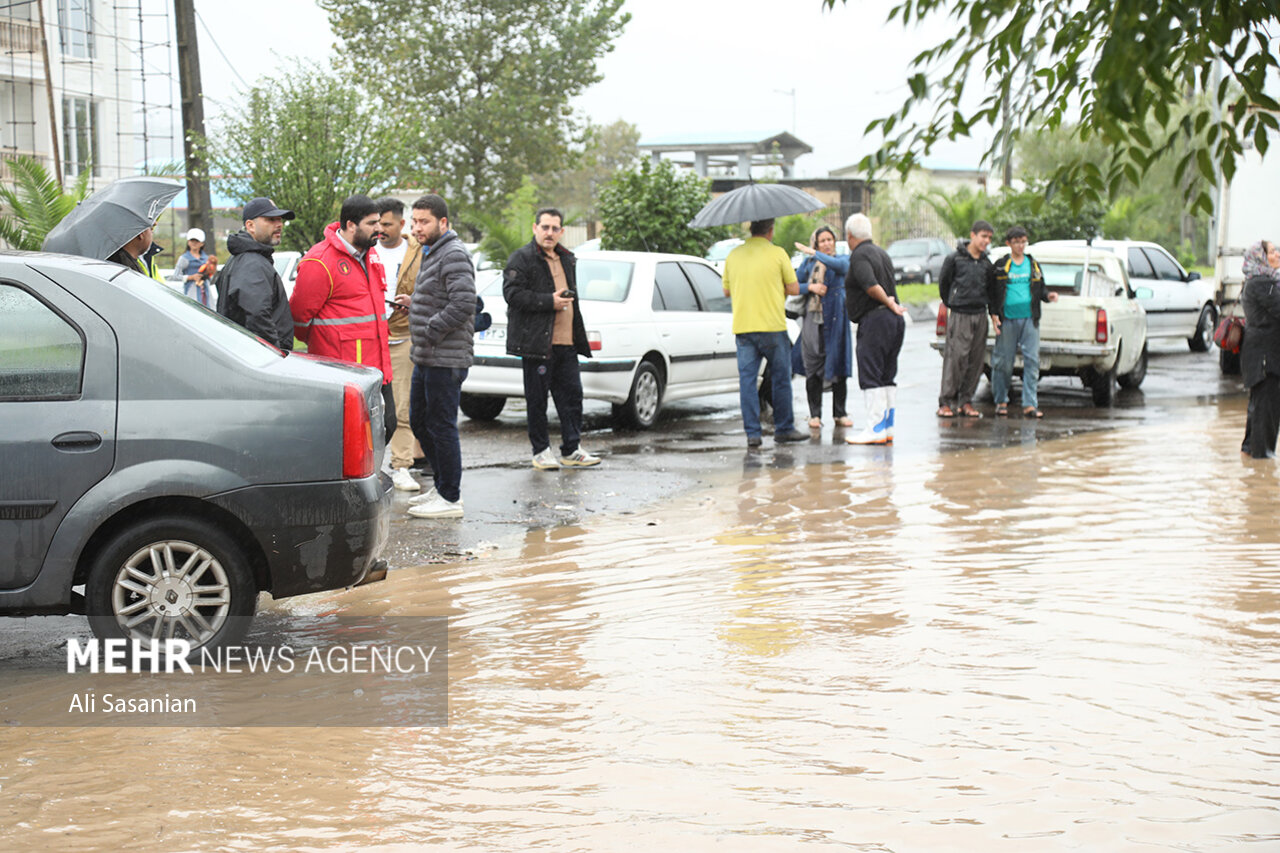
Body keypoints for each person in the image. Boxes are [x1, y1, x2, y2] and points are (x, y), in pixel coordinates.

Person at [395, 194, 474, 519]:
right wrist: (415, 303)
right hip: (427, 355)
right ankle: (441, 488)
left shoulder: (453, 253)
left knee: (440, 426)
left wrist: (429, 327)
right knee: (420, 422)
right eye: (414, 222)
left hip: (446, 357)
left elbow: (463, 303)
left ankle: (450, 497)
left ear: (443, 222)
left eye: (424, 221)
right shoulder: (432, 251)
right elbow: (443, 296)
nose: (417, 228)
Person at [291, 194, 394, 442]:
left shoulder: (369, 255)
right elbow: (298, 319)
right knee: (351, 441)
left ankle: (368, 479)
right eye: (372, 223)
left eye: (379, 222)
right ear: (350, 225)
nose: (379, 229)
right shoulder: (320, 261)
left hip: (378, 368)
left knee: (386, 428)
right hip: (344, 374)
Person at [503, 207, 601, 470]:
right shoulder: (521, 258)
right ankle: (541, 451)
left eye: (554, 228)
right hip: (537, 344)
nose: (549, 233)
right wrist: (550, 301)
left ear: (562, 232)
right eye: (544, 227)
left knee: (572, 397)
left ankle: (572, 449)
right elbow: (512, 295)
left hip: (567, 343)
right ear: (535, 228)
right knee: (537, 400)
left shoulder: (567, 258)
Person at [722, 218, 810, 448]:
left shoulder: (733, 256)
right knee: (781, 380)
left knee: (748, 382)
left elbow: (726, 291)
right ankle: (784, 429)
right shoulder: (778, 254)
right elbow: (792, 288)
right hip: (773, 327)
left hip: (744, 329)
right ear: (770, 231)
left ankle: (753, 434)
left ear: (751, 230)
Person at [841, 213, 906, 445]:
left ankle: (874, 428)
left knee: (871, 373)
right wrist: (892, 306)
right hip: (894, 322)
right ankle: (887, 428)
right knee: (887, 374)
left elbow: (870, 285)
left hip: (876, 319)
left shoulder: (859, 256)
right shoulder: (881, 253)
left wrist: (888, 302)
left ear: (850, 236)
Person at [376, 197, 427, 492]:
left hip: (401, 337)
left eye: (386, 224)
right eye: (377, 224)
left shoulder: (417, 252)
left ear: (401, 224)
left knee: (401, 406)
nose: (380, 229)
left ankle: (402, 465)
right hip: (369, 336)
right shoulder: (366, 250)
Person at [791, 226, 855, 430]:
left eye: (830, 239)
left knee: (838, 365)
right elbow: (792, 286)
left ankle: (840, 413)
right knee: (813, 367)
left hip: (836, 320)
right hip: (813, 321)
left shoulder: (843, 260)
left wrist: (815, 254)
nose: (827, 244)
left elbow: (841, 268)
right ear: (816, 243)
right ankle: (815, 415)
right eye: (823, 241)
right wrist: (810, 287)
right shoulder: (808, 264)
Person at [991, 225, 1057, 418]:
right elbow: (993, 292)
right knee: (1003, 362)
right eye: (1016, 242)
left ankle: (1030, 404)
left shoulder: (1033, 264)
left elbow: (1041, 289)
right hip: (1008, 320)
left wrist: (1048, 295)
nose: (1020, 246)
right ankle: (1001, 400)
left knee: (1032, 361)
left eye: (1023, 242)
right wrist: (994, 314)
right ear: (1008, 244)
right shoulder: (1002, 265)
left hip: (1030, 319)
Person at [216, 197, 296, 351]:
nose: (279, 225)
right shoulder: (251, 262)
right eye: (271, 220)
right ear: (250, 225)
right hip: (259, 358)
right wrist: (275, 355)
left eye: (280, 220)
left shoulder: (248, 258)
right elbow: (258, 317)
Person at [937, 219, 998, 418]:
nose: (986, 241)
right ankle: (946, 401)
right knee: (956, 359)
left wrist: (993, 314)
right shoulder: (955, 259)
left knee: (976, 361)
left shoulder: (987, 264)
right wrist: (953, 303)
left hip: (979, 315)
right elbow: (944, 284)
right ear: (972, 235)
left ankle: (966, 401)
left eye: (989, 238)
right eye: (983, 236)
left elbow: (992, 291)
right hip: (960, 315)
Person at [1240, 240, 1280, 458]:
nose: (1278, 255)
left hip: (1261, 355)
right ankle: (1261, 467)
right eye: (1273, 252)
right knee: (1266, 411)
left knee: (1259, 409)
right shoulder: (1263, 283)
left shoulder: (1260, 281)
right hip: (1265, 358)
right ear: (1261, 258)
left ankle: (1251, 459)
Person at [177, 228, 212, 307]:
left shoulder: (207, 259)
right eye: (192, 241)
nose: (194, 243)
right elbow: (175, 276)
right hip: (191, 294)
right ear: (188, 242)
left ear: (202, 243)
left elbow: (211, 279)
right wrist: (191, 277)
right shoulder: (184, 258)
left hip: (206, 295)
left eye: (197, 241)